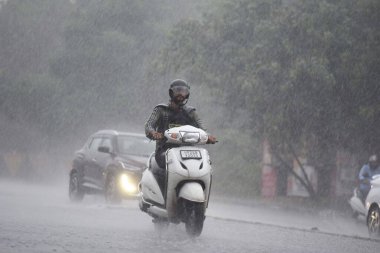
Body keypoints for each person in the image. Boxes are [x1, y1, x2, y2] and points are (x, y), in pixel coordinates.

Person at [144, 79, 216, 190]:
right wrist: (153, 133)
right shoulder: (161, 109)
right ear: (171, 92)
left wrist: (208, 137)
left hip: (188, 152)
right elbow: (149, 125)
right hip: (165, 151)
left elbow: (202, 129)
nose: (181, 94)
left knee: (206, 163)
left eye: (184, 91)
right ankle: (165, 191)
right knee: (168, 165)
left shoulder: (191, 112)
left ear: (187, 94)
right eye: (178, 91)